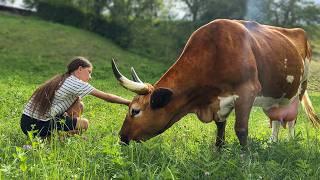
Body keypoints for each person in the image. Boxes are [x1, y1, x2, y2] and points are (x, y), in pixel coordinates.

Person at [20, 56, 130, 137]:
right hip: (36, 124)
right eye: (89, 72)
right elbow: (106, 97)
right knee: (84, 123)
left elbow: (76, 104)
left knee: (79, 105)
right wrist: (128, 102)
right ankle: (58, 139)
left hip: (27, 121)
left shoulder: (64, 78)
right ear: (80, 69)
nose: (90, 77)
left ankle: (55, 137)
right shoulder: (74, 82)